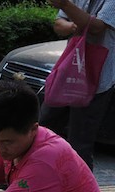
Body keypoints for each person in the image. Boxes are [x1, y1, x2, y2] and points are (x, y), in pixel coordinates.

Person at [40, 0, 115, 170]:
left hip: (97, 78)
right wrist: (75, 26)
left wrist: (66, 5)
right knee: (44, 126)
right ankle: (28, 176)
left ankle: (81, 189)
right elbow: (59, 24)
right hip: (69, 73)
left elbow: (98, 27)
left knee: (80, 141)